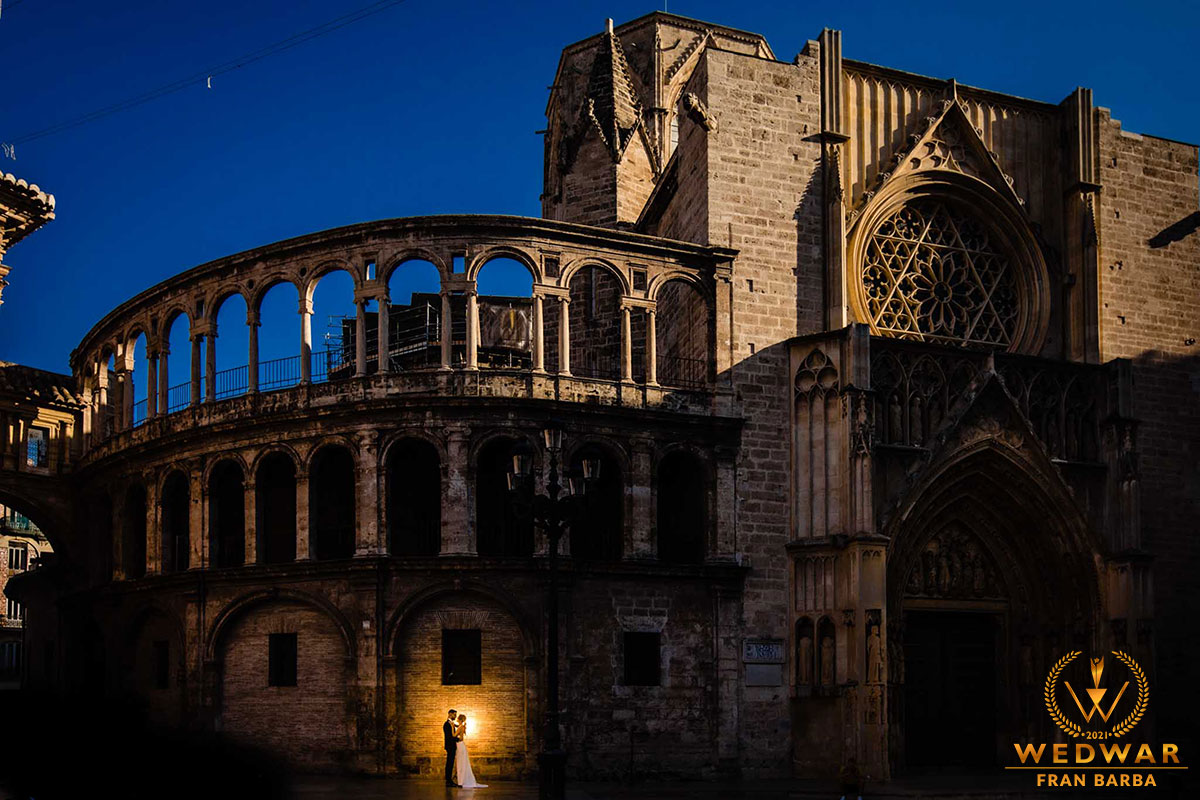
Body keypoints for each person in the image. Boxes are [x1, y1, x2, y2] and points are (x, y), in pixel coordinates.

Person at [452, 713, 487, 789]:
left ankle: (461, 782)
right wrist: (455, 725)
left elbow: (454, 735)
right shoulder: (461, 726)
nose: (456, 719)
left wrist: (452, 727)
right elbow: (459, 728)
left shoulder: (460, 727)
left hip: (460, 745)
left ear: (460, 719)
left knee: (461, 763)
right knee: (461, 763)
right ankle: (461, 781)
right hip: (460, 745)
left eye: (458, 718)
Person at [443, 708, 460, 787]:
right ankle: (448, 781)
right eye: (454, 714)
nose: (455, 716)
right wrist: (458, 739)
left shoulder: (452, 724)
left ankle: (449, 780)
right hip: (450, 746)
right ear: (450, 714)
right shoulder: (447, 724)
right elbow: (449, 736)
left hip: (452, 746)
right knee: (449, 763)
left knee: (450, 763)